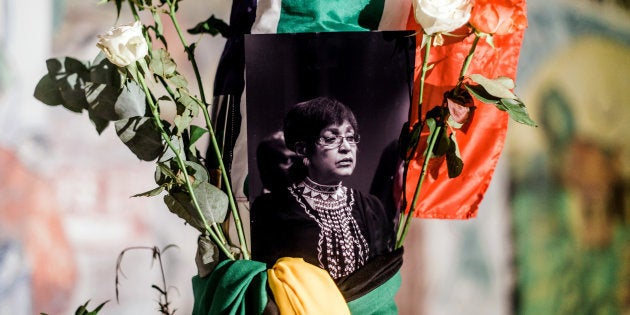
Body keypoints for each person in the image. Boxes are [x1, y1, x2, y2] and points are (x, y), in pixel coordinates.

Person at [250, 97, 402, 312]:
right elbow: (261, 287)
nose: (346, 148)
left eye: (351, 137)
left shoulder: (371, 207)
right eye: (331, 139)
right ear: (302, 149)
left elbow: (380, 284)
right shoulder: (271, 209)